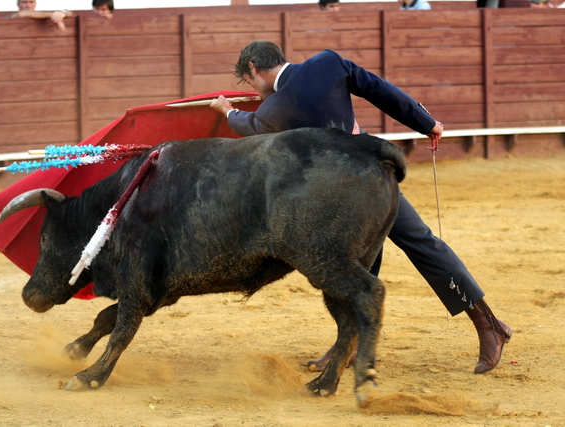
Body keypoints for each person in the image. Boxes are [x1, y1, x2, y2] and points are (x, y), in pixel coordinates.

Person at [210, 40, 512, 375]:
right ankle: (483, 326)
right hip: (372, 169)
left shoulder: (276, 106)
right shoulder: (327, 63)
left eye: (250, 82)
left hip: (340, 193)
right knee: (412, 246)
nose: (255, 91)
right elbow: (380, 90)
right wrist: (426, 123)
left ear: (253, 67)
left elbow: (250, 126)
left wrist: (228, 111)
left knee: (349, 264)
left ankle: (492, 327)